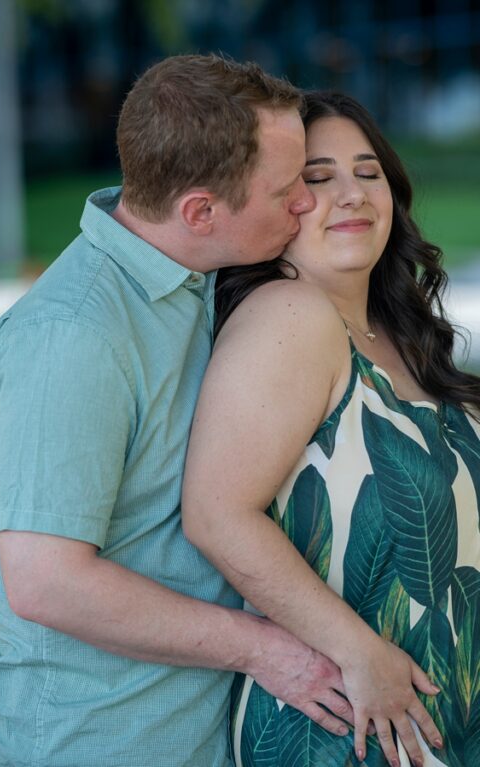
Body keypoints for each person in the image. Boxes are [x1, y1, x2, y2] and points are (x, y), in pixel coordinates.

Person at [0, 55, 356, 767]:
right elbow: (45, 579)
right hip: (88, 744)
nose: (307, 200)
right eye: (287, 187)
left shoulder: (197, 272)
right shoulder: (73, 337)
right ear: (200, 211)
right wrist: (268, 650)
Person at [181, 91, 478, 766]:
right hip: (348, 722)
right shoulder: (291, 315)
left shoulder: (401, 338)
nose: (352, 194)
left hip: (442, 712)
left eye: (368, 172)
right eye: (317, 178)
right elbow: (216, 514)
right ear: (280, 200)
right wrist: (361, 653)